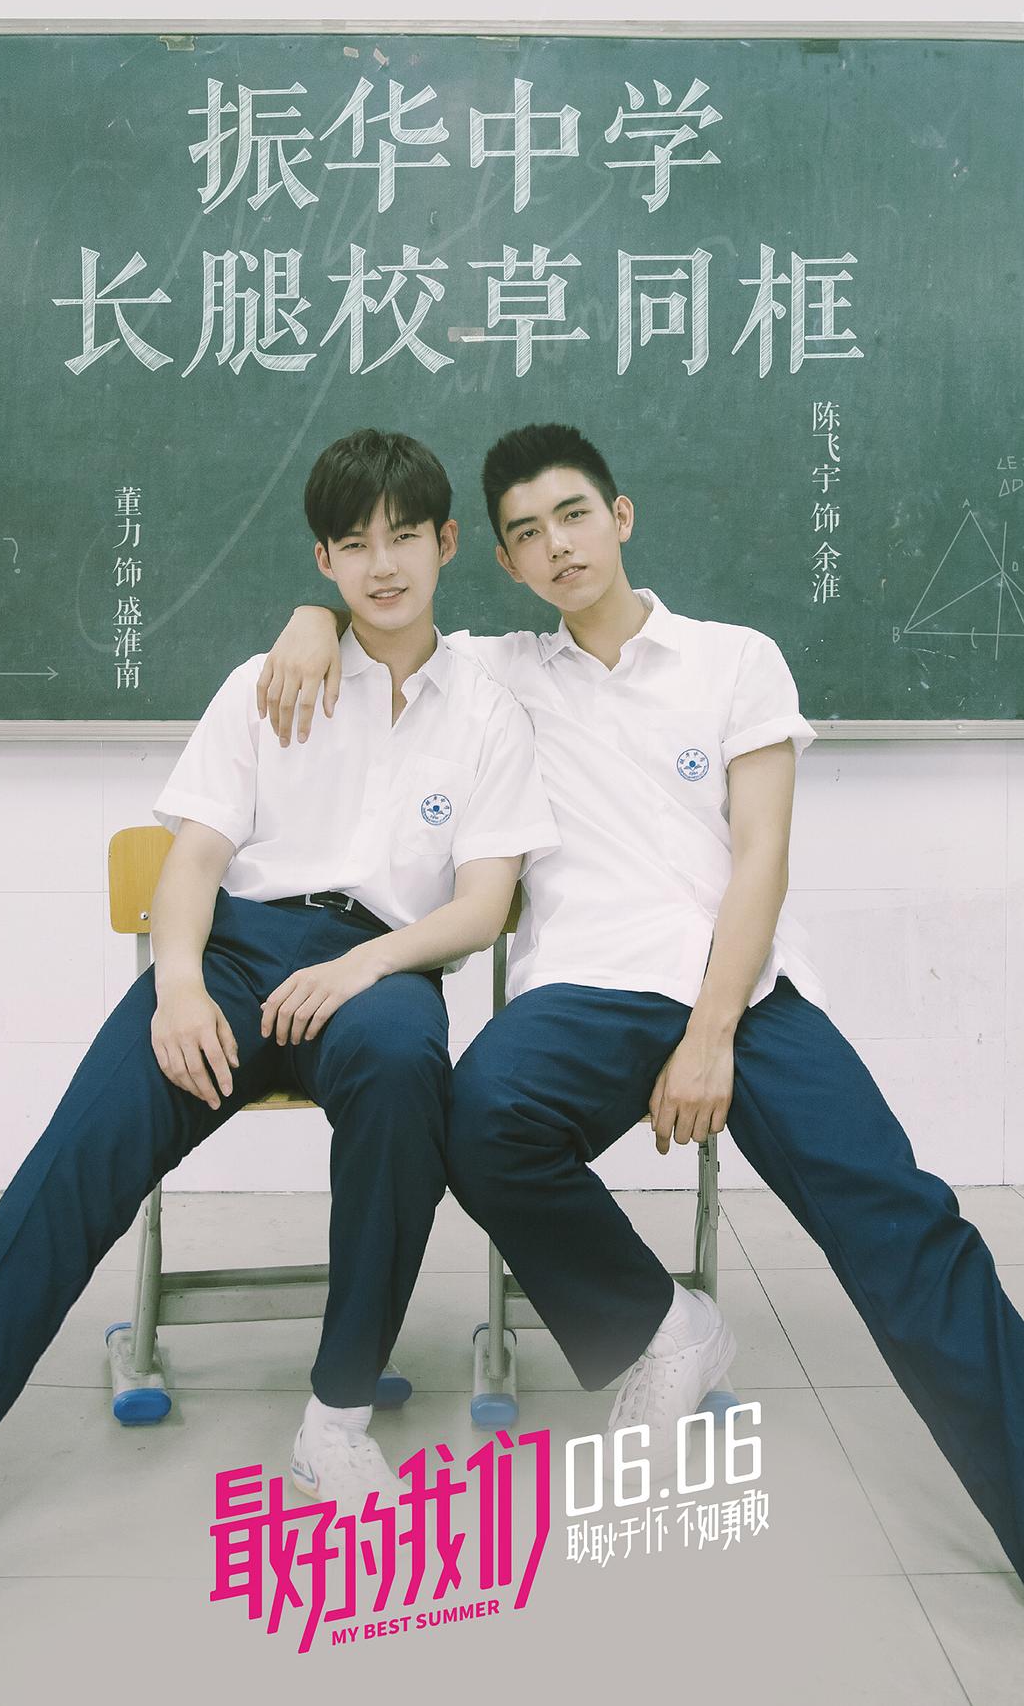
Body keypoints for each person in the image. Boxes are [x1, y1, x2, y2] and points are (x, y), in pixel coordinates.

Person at [255, 421, 1024, 1577]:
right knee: (477, 1119)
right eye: (526, 533)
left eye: (573, 515)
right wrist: (309, 618)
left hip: (743, 989)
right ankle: (667, 1328)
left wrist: (712, 1033)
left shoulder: (735, 660)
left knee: (905, 1223)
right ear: (503, 560)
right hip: (590, 986)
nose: (557, 545)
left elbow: (761, 858)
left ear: (620, 517)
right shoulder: (501, 673)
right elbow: (382, 619)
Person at [0, 429, 557, 1509]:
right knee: (74, 1159)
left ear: (449, 541)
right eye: (353, 544)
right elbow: (194, 858)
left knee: (405, 1074)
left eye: (404, 537)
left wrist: (364, 965)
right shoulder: (266, 683)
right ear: (323, 559)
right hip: (233, 955)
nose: (382, 565)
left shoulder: (489, 713)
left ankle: (338, 1416)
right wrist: (178, 985)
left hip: (383, 970)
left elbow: (479, 906)